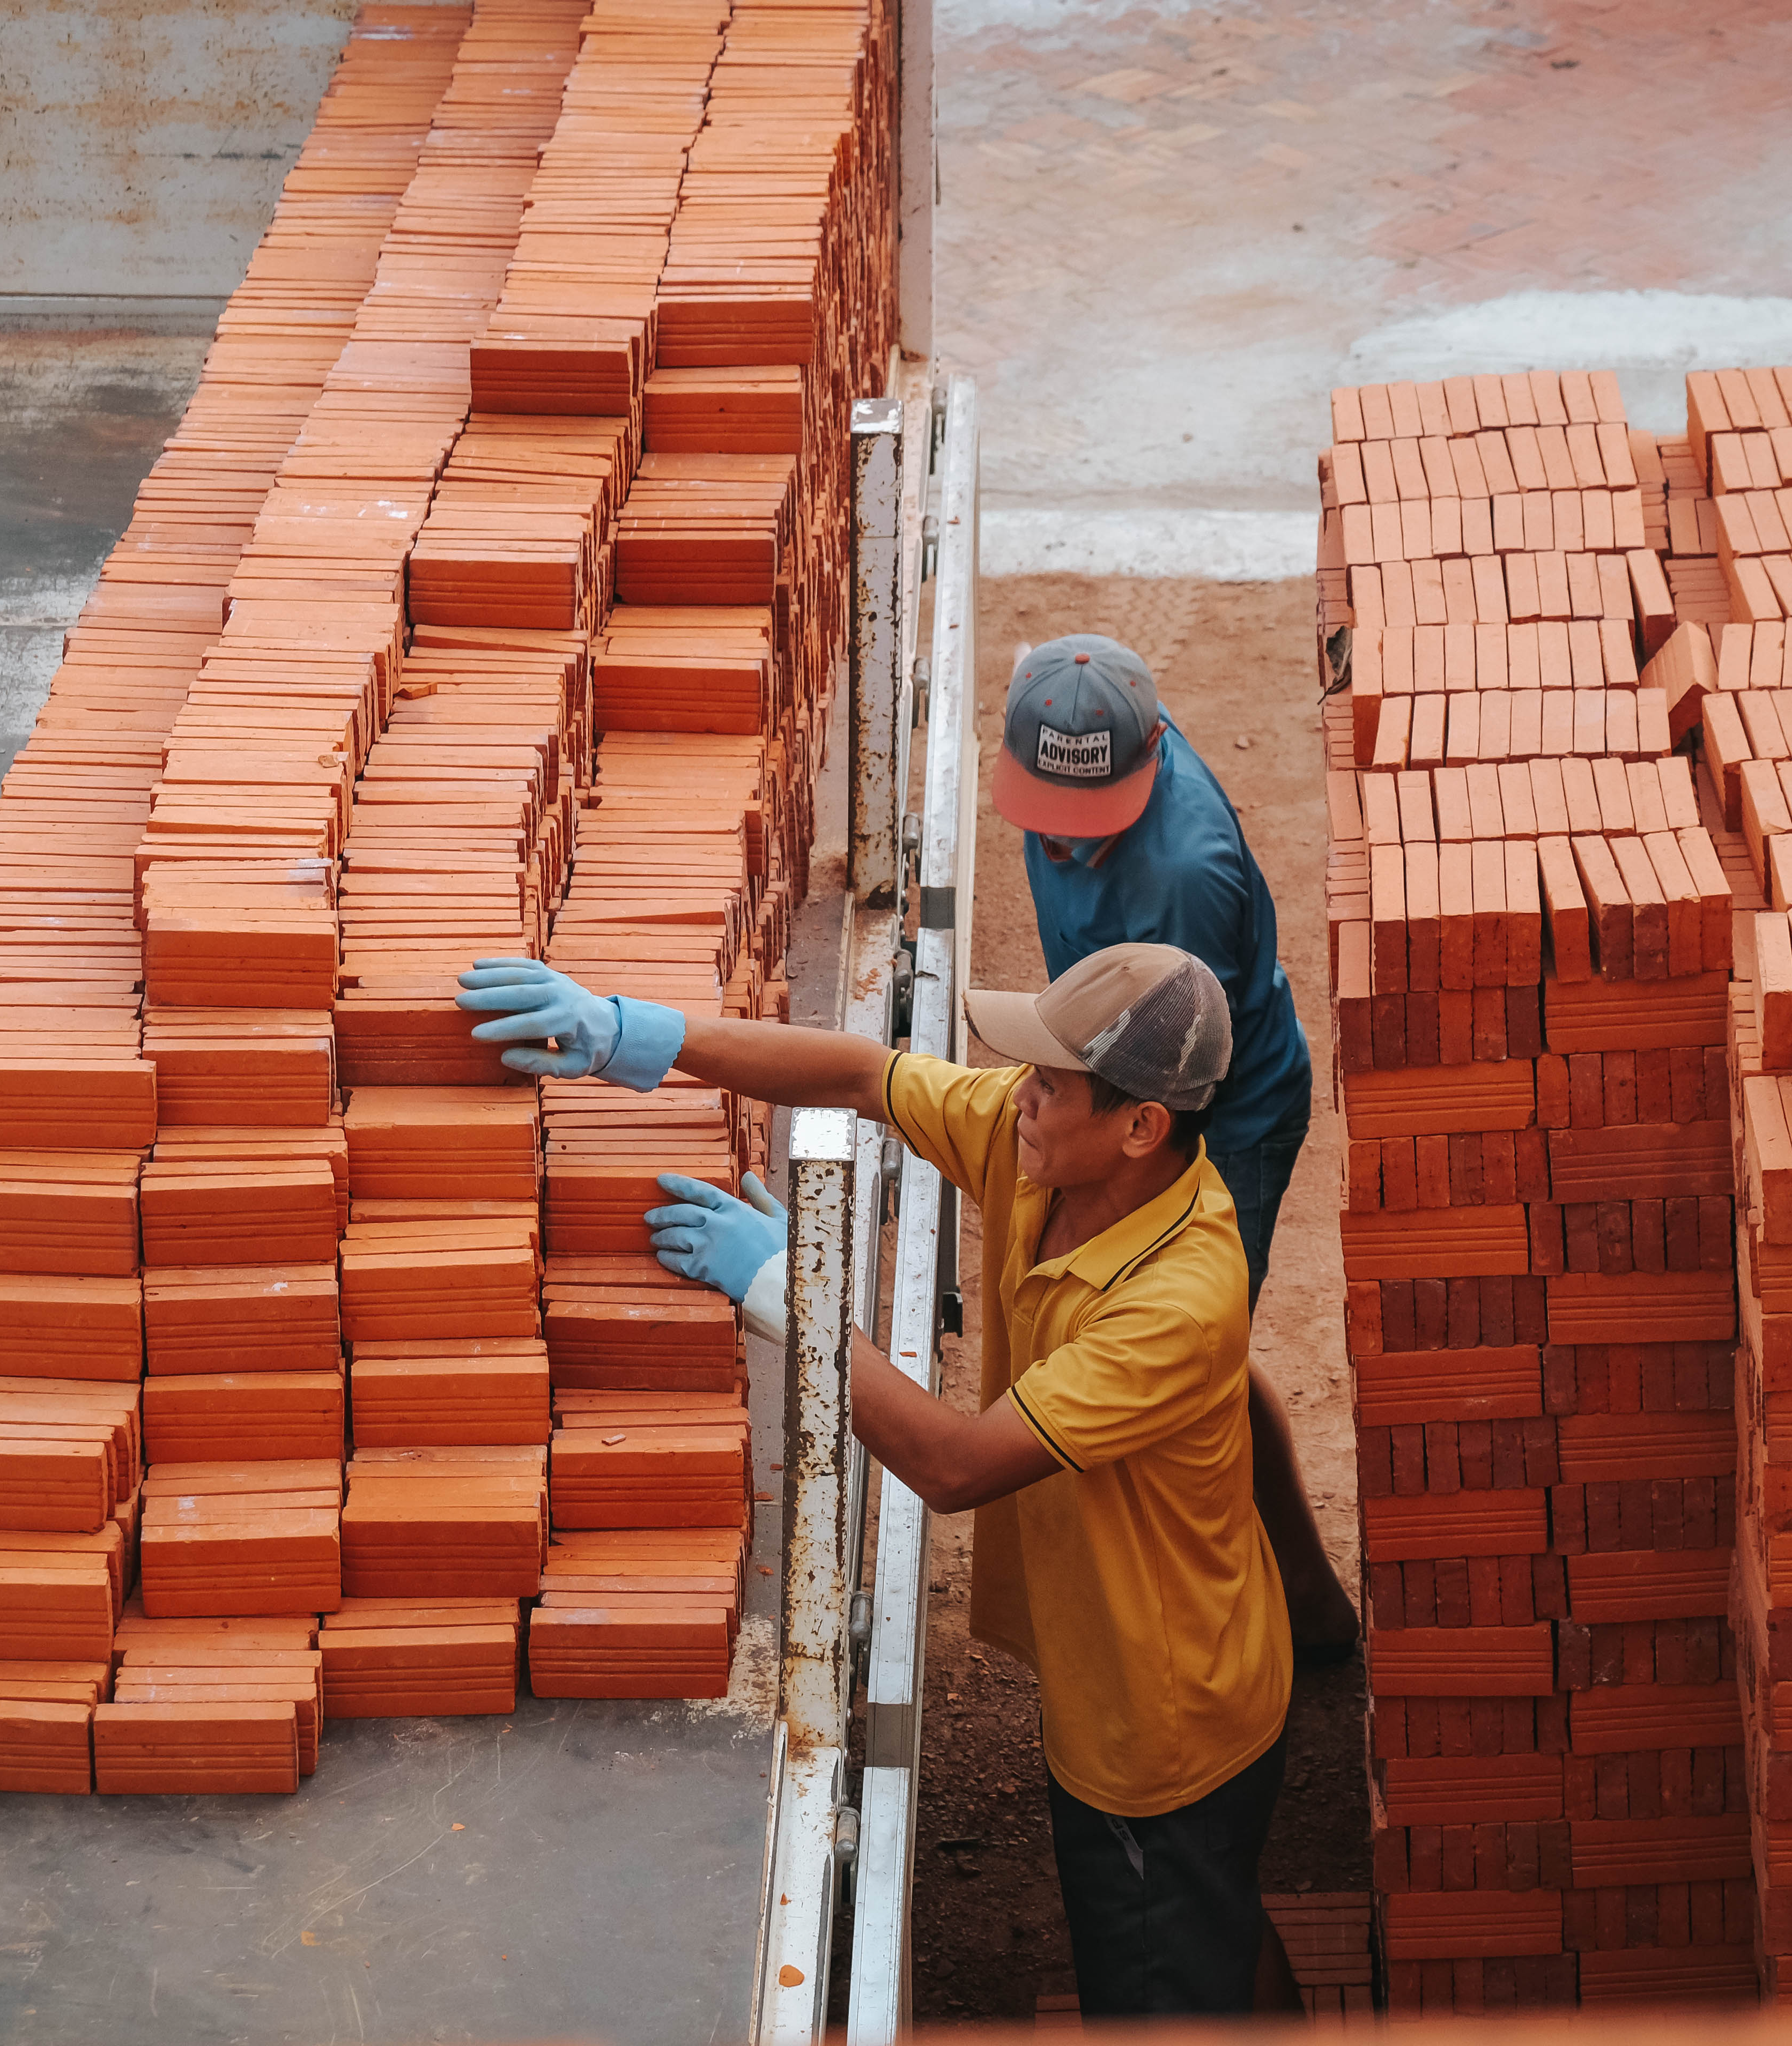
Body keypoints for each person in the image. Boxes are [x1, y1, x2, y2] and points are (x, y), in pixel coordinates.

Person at [459, 943, 1292, 2015]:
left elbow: (954, 1466)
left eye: (1050, 1084)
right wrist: (641, 1034)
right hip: (1169, 1652)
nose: (1020, 1098)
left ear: (1142, 1127)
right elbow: (865, 1076)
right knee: (1216, 1919)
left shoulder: (1176, 1302)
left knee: (1163, 1977)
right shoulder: (1046, 1146)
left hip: (1164, 1717)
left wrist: (793, 1293)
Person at [987, 634, 1357, 1660]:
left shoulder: (1182, 881)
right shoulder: (1070, 717)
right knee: (1203, 1361)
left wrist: (1111, 1174)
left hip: (1212, 1109)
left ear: (1147, 760)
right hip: (1111, 1069)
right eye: (1046, 830)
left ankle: (1262, 1623)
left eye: (1084, 834)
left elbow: (1163, 1093)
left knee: (1182, 1351)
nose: (1060, 851)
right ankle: (1310, 1605)